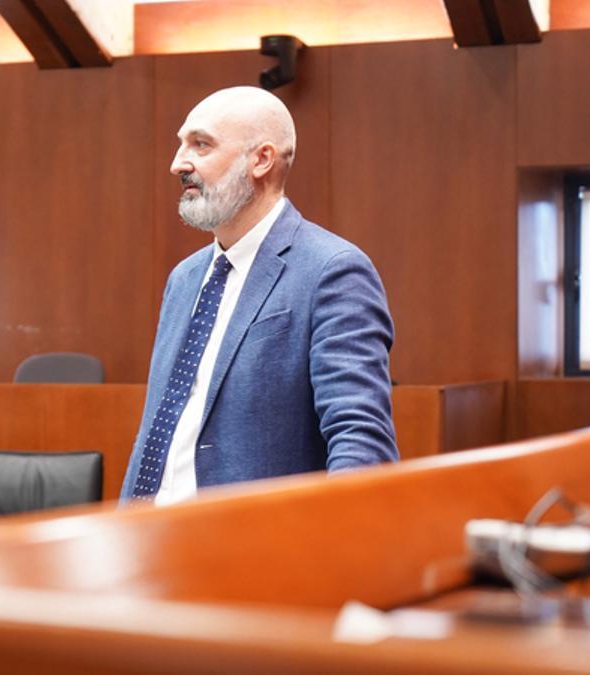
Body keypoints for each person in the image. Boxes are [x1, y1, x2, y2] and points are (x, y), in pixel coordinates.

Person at [121, 86, 397, 505]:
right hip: (148, 538)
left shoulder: (332, 270)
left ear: (261, 159)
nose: (178, 163)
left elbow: (360, 441)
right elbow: (165, 424)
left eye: (200, 144)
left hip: (253, 550)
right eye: (181, 145)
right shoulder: (184, 279)